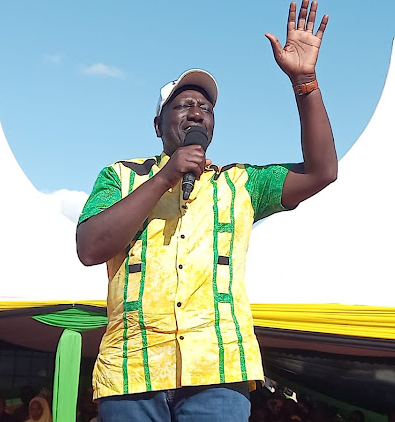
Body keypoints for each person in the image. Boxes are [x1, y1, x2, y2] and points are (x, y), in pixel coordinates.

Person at [75, 1, 335, 421]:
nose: (197, 111)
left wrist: (305, 81)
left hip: (218, 373)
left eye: (206, 108)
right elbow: (89, 248)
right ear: (158, 125)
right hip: (130, 375)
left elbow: (322, 172)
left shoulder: (241, 185)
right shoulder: (120, 178)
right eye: (183, 105)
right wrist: (164, 179)